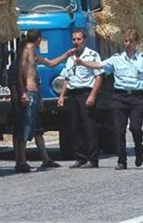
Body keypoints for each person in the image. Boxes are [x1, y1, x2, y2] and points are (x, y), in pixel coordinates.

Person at [75, 27, 143, 170]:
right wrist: (83, 63)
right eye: (125, 41)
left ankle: (139, 148)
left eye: (130, 41)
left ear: (136, 42)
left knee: (135, 128)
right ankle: (122, 161)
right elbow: (99, 65)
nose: (127, 44)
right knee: (119, 130)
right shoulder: (116, 59)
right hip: (120, 97)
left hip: (136, 98)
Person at [14, 29, 73, 173]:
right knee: (25, 127)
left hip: (33, 94)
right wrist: (22, 93)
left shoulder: (33, 53)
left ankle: (42, 159)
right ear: (39, 40)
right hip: (28, 93)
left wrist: (66, 55)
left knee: (34, 128)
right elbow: (19, 72)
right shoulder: (27, 51)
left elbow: (50, 63)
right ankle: (21, 161)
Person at [57, 29, 103, 169]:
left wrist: (92, 95)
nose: (76, 42)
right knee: (74, 126)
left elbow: (99, 76)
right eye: (74, 39)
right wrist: (61, 95)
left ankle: (92, 158)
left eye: (79, 39)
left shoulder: (92, 55)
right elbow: (66, 77)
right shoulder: (70, 57)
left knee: (89, 126)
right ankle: (80, 157)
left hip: (86, 92)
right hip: (73, 93)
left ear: (85, 40)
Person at [7, 57, 61, 172]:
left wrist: (40, 100)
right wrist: (17, 100)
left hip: (32, 101)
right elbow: (12, 85)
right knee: (20, 132)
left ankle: (45, 158)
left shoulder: (32, 65)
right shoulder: (16, 66)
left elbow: (38, 83)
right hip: (23, 101)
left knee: (38, 131)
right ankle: (20, 161)